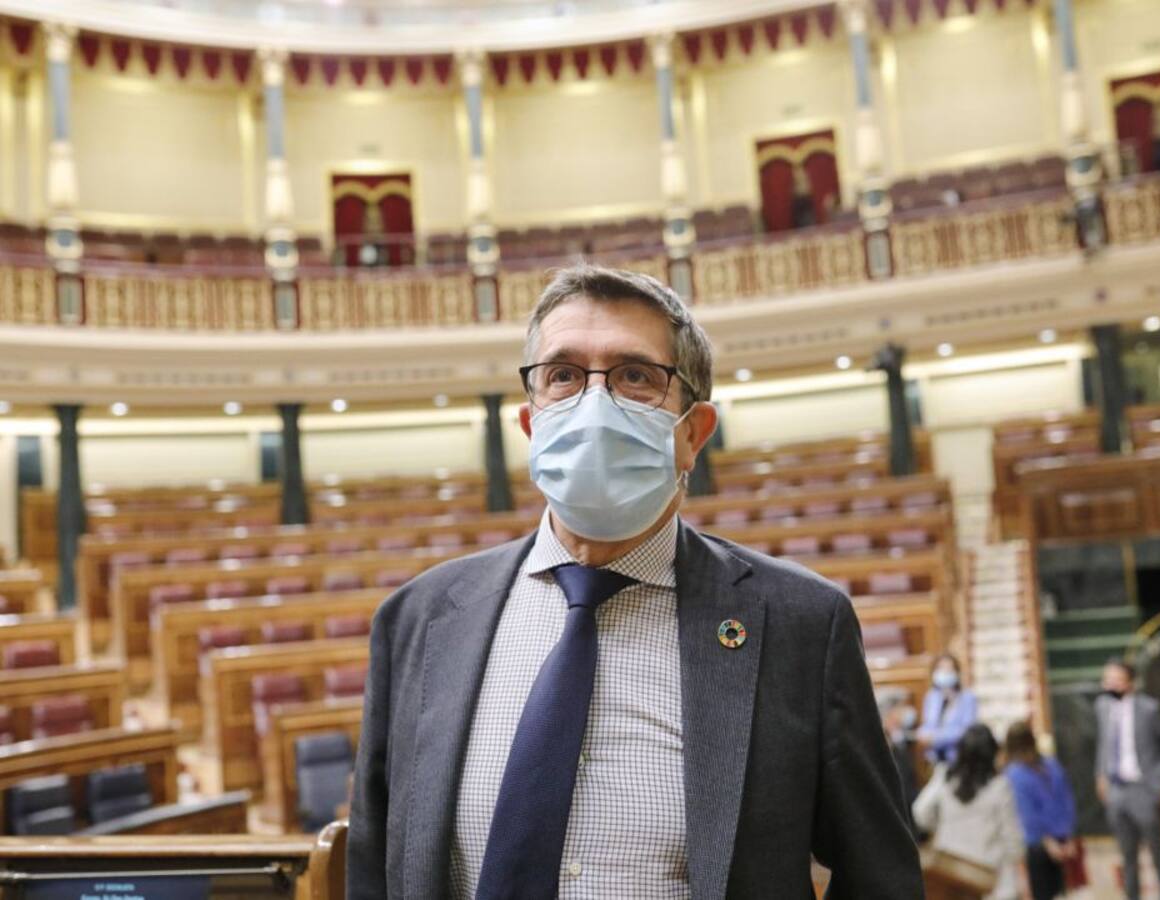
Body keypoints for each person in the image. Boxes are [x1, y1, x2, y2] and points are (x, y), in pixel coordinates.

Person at [348, 264, 923, 898]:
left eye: (635, 376)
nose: (594, 404)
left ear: (692, 434)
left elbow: (880, 876)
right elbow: (375, 870)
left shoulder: (803, 625)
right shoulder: (417, 621)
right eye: (563, 375)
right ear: (532, 424)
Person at [1095, 658, 1160, 900]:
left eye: (1117, 680)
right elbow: (1103, 744)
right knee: (1127, 856)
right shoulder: (1102, 707)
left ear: (1130, 682)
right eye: (1107, 679)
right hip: (1117, 790)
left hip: (1144, 789)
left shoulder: (1149, 709)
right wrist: (1101, 774)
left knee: (1157, 851)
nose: (1111, 685)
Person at [913, 724, 1025, 900]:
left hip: (950, 873)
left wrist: (939, 824)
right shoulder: (999, 786)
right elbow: (1013, 840)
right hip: (989, 880)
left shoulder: (945, 778)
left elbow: (920, 812)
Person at [1004, 720, 1077, 900]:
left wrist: (1049, 841)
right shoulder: (1051, 765)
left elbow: (1027, 814)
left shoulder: (1015, 774)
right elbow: (1067, 801)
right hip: (1058, 841)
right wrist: (1067, 836)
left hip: (1040, 846)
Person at [917, 652, 978, 763]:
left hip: (957, 756)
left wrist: (936, 738)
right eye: (941, 668)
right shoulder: (931, 696)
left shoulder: (967, 697)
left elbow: (967, 731)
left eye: (949, 669)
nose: (944, 672)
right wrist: (921, 734)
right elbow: (928, 724)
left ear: (957, 673)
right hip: (934, 756)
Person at [878, 685, 920, 834]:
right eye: (901, 708)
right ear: (889, 714)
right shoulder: (884, 744)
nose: (905, 713)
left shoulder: (898, 739)